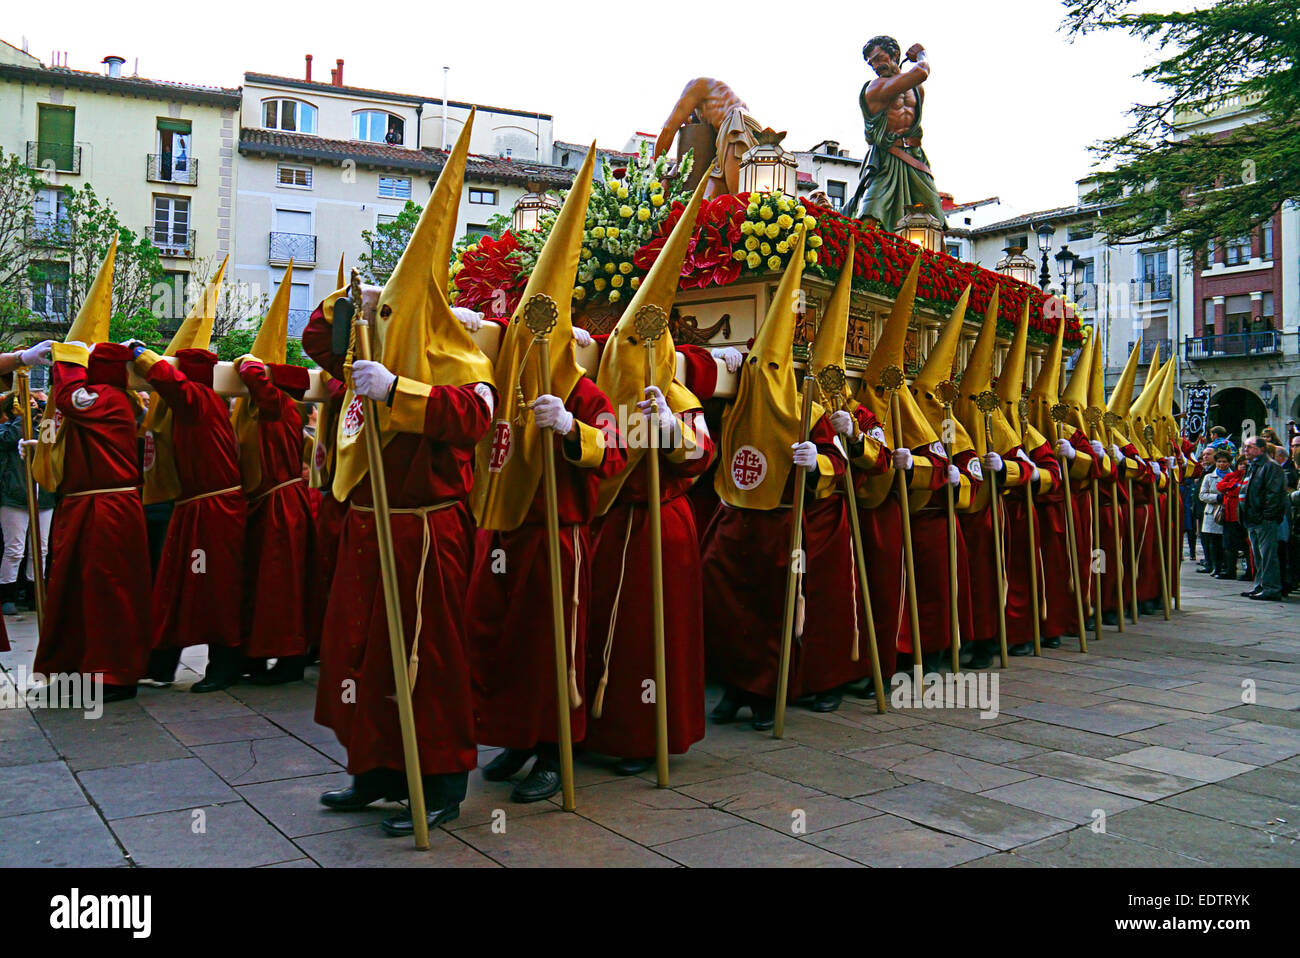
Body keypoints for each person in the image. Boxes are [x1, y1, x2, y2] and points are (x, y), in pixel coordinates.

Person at [307, 117, 496, 836]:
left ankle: (440, 781)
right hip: (370, 524)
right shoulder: (373, 347)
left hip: (427, 532)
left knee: (427, 658)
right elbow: (316, 342)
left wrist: (401, 393)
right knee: (364, 651)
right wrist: (350, 310)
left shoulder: (461, 358)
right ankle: (374, 769)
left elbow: (474, 418)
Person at [129, 341, 247, 691]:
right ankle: (161, 665)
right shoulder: (200, 403)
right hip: (195, 507)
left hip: (214, 511)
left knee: (216, 588)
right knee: (174, 588)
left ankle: (225, 665)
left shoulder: (200, 399)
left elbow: (170, 382)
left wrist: (138, 353)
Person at [849, 36, 947, 232]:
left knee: (935, 219)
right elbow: (921, 71)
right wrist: (921, 55)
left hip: (915, 157)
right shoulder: (875, 87)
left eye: (878, 58)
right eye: (871, 62)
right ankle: (861, 259)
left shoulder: (917, 89)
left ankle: (945, 263)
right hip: (886, 160)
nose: (875, 66)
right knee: (870, 215)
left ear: (894, 54)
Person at [0, 391, 53, 614]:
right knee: (15, 549)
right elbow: (7, 440)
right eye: (26, 404)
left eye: (34, 403)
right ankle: (7, 595)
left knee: (40, 549)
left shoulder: (45, 424)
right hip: (16, 495)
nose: (33, 406)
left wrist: (45, 416)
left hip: (44, 496)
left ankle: (35, 592)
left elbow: (54, 445)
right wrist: (24, 419)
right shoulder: (7, 427)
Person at [1239, 435, 1287, 601]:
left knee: (1267, 555)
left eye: (1250, 447)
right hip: (1252, 518)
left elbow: (1273, 494)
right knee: (1258, 556)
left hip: (1264, 519)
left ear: (1261, 449)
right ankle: (1260, 585)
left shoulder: (1270, 467)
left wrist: (1266, 515)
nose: (1246, 450)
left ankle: (1271, 588)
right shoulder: (1253, 466)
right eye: (1245, 447)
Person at [1199, 450, 1232, 577]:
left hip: (1228, 512)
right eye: (1219, 462)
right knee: (1213, 542)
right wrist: (1217, 498)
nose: (1221, 464)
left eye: (1224, 462)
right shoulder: (1209, 477)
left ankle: (1227, 566)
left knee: (1227, 542)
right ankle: (1215, 566)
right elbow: (1202, 495)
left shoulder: (1232, 475)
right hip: (1212, 512)